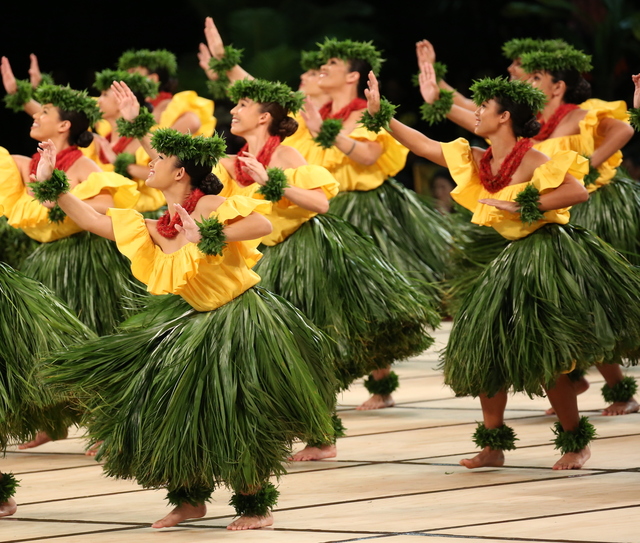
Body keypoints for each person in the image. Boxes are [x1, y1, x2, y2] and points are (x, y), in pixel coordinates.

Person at [33, 85, 338, 530]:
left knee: (235, 410)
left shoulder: (211, 205)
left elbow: (262, 221)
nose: (149, 165)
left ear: (180, 174)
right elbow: (95, 221)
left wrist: (208, 236)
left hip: (240, 321)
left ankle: (254, 506)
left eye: (159, 161)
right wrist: (51, 182)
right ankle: (189, 499)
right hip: (194, 322)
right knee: (175, 408)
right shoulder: (161, 223)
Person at [366, 71, 640, 469]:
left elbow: (575, 191)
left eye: (484, 108)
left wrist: (523, 205)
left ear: (505, 117)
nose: (476, 113)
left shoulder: (533, 158)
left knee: (548, 358)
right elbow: (425, 146)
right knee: (487, 349)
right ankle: (493, 445)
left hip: (547, 256)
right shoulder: (480, 158)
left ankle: (575, 442)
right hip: (511, 257)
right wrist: (382, 117)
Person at [213, 77, 439, 460]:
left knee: (307, 346)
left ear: (264, 117)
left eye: (243, 104)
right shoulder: (233, 163)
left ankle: (323, 437)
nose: (233, 110)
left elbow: (319, 203)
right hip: (260, 258)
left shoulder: (285, 157)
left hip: (302, 254)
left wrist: (273, 182)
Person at [281, 37, 451, 410]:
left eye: (333, 63)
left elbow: (371, 154)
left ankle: (380, 382)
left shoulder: (361, 113)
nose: (323, 67)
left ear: (353, 75)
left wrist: (328, 133)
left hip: (363, 206)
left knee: (365, 294)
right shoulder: (317, 111)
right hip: (323, 207)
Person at [85, 68, 166, 215]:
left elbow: (164, 172)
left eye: (104, 95)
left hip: (141, 212)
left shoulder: (139, 141)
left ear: (121, 101)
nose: (99, 100)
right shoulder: (103, 139)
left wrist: (120, 164)